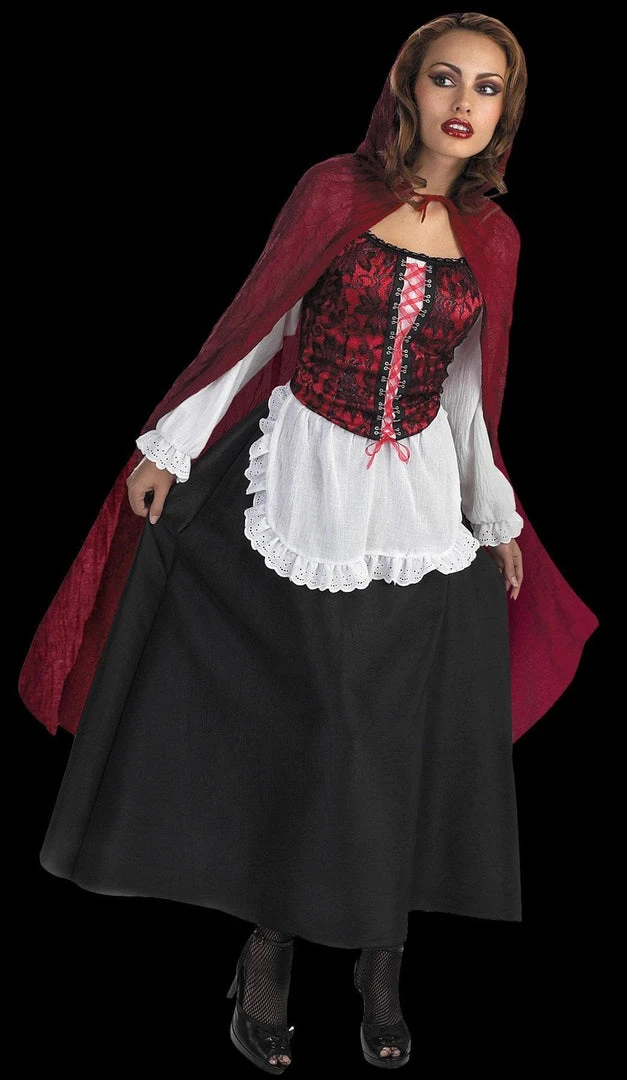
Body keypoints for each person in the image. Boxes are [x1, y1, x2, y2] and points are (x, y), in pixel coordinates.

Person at [18, 11, 599, 1074]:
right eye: (445, 79)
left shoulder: (495, 238)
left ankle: (381, 962)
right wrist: (170, 445)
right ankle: (270, 945)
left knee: (393, 738)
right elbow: (261, 327)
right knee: (312, 723)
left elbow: (470, 391)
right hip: (305, 475)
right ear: (408, 88)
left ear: (504, 113)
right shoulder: (334, 191)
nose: (463, 104)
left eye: (486, 88)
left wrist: (494, 516)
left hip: (417, 503)